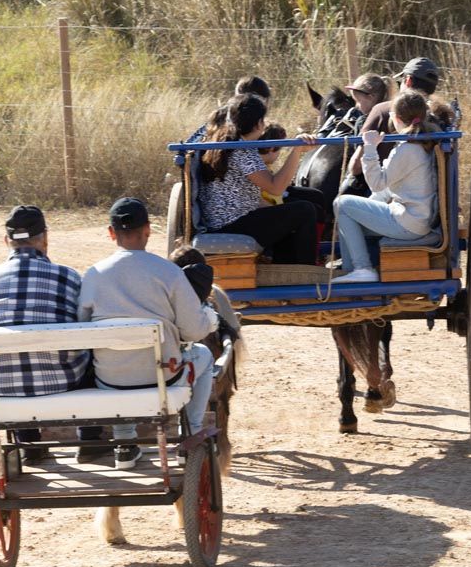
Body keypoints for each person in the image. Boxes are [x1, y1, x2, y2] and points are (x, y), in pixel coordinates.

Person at [78, 198, 216, 469]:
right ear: (148, 230)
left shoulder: (93, 275)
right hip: (163, 377)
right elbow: (194, 330)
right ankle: (190, 432)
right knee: (205, 355)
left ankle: (125, 443)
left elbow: (82, 328)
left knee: (114, 359)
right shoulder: (170, 273)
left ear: (110, 233)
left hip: (110, 381)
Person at [0, 205, 105, 464]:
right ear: (45, 238)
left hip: (3, 386)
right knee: (91, 350)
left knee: (11, 359)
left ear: (6, 241)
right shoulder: (68, 276)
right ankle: (89, 440)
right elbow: (84, 326)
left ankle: (30, 443)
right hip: (62, 382)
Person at [198, 93, 319, 264]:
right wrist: (297, 151)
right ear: (258, 123)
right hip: (232, 225)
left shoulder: (230, 143)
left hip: (228, 220)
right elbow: (276, 188)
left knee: (291, 210)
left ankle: (285, 264)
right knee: (305, 210)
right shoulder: (243, 150)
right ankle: (304, 270)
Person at [333, 92, 440, 283]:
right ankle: (352, 272)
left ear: (396, 119)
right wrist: (370, 204)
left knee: (342, 204)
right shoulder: (421, 143)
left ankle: (362, 269)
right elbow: (387, 188)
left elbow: (377, 183)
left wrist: (370, 148)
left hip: (408, 222)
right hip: (416, 218)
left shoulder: (407, 149)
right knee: (349, 219)